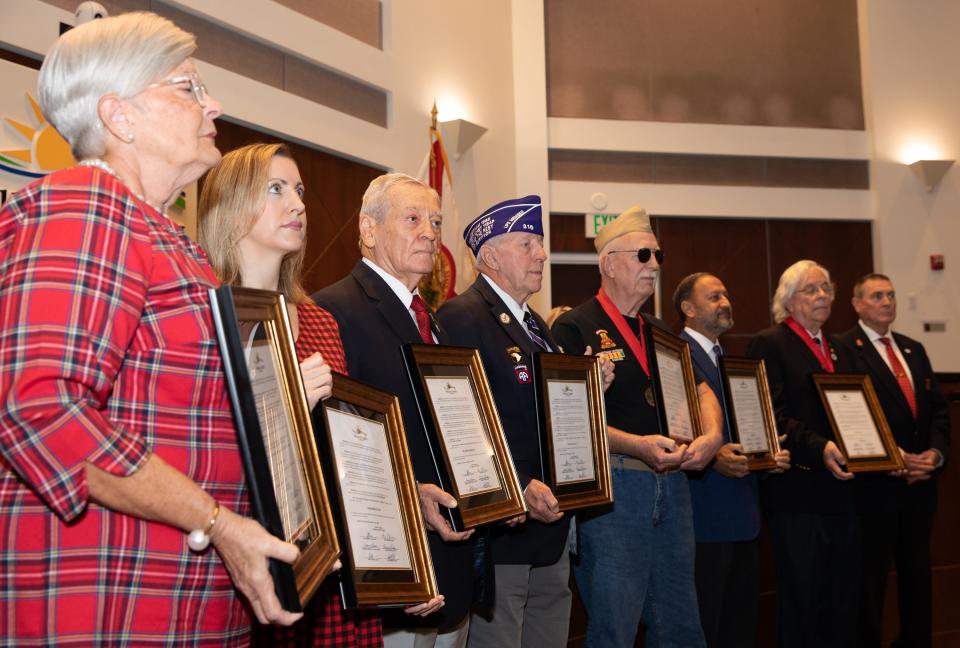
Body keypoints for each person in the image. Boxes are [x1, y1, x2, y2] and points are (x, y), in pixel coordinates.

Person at [0, 13, 301, 645]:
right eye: (188, 88)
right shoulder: (87, 208)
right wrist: (217, 522)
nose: (212, 103)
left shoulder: (164, 236)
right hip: (106, 603)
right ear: (119, 116)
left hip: (176, 600)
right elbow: (40, 408)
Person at [198, 142, 383, 647]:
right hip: (246, 564)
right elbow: (205, 450)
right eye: (276, 189)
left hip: (328, 557)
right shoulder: (206, 319)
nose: (298, 204)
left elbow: (344, 450)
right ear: (231, 206)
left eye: (299, 190)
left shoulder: (321, 319)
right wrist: (287, 406)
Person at [436, 196, 613, 648]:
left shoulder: (536, 325)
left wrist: (589, 388)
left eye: (541, 243)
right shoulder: (462, 316)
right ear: (490, 257)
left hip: (549, 527)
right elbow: (460, 424)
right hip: (505, 530)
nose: (541, 254)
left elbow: (544, 411)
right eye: (527, 243)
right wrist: (517, 483)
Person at [313, 173, 476, 648]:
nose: (430, 231)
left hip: (449, 561)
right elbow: (334, 447)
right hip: (392, 565)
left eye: (436, 221)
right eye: (412, 218)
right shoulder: (333, 310)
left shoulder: (433, 322)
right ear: (368, 230)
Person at [552, 206, 723, 648]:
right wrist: (637, 445)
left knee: (682, 623)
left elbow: (702, 389)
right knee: (615, 625)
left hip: (674, 486)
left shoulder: (661, 329)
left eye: (658, 257)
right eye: (642, 255)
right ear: (609, 263)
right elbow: (570, 419)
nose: (653, 266)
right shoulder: (575, 327)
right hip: (616, 488)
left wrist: (712, 436)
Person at [745, 259, 860, 648]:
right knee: (802, 601)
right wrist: (820, 446)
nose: (823, 296)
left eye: (826, 288)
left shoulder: (842, 346)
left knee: (841, 601)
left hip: (844, 492)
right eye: (812, 289)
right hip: (798, 491)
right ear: (789, 300)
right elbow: (772, 413)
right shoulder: (770, 342)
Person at [673, 272, 790, 648]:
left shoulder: (733, 362)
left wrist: (767, 453)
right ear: (688, 309)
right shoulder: (673, 356)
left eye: (726, 294)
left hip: (744, 514)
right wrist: (711, 456)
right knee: (705, 625)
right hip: (703, 516)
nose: (726, 302)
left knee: (740, 626)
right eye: (714, 297)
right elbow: (670, 426)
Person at [838, 273, 950, 648]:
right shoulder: (844, 350)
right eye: (876, 296)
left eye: (890, 295)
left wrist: (933, 454)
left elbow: (938, 412)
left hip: (920, 486)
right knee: (870, 583)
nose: (886, 302)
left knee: (918, 578)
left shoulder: (913, 348)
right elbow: (850, 414)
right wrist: (894, 456)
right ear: (856, 304)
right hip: (876, 489)